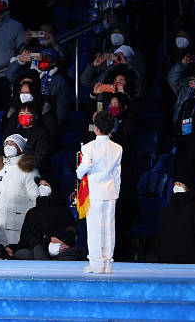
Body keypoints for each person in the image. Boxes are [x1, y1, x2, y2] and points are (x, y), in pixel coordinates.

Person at [77, 110, 123, 274]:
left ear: (96, 128)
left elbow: (86, 166)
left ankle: (97, 264)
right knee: (109, 228)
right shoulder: (118, 148)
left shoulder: (89, 147)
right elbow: (117, 174)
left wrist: (79, 172)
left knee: (95, 228)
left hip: (95, 193)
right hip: (110, 192)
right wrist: (116, 193)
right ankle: (107, 263)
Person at [0, 134, 40, 251]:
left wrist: (31, 229)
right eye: (6, 143)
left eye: (12, 143)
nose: (8, 146)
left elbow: (36, 201)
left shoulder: (29, 170)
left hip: (17, 230)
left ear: (20, 147)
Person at [157, 175, 195, 264]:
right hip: (168, 261)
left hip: (190, 262)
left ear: (189, 187)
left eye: (181, 184)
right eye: (175, 184)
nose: (177, 186)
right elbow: (161, 237)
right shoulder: (167, 210)